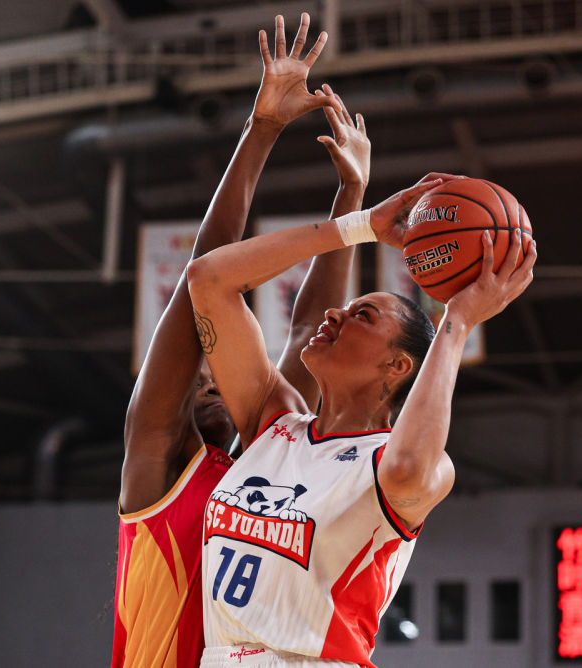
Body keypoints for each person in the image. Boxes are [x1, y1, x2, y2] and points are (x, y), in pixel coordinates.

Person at [187, 176, 536, 665]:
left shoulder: (399, 463)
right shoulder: (274, 422)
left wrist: (457, 322)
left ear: (397, 366)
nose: (334, 313)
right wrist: (359, 227)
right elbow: (207, 279)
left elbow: (406, 468)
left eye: (363, 315)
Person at [113, 13, 371, 667]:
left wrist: (352, 193)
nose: (207, 377)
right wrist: (263, 129)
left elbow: (310, 337)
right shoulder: (155, 461)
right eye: (198, 372)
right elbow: (208, 272)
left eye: (213, 372)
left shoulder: (262, 465)